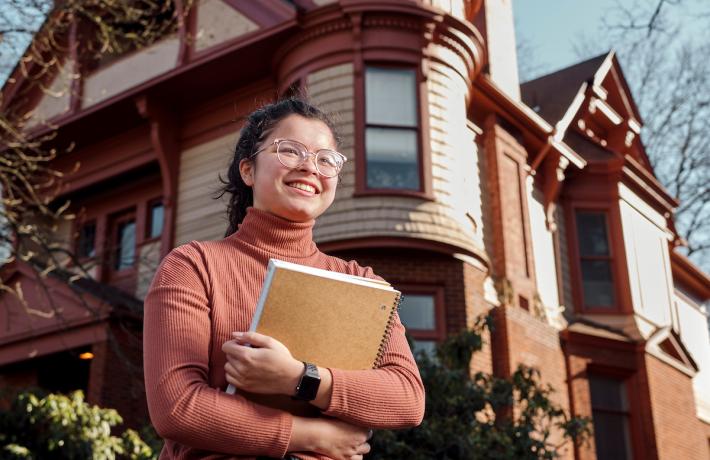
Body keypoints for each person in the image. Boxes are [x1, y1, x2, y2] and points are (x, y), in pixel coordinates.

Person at [143, 98, 425, 460]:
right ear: (248, 170)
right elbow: (178, 407)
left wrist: (299, 378)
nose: (310, 167)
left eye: (326, 160)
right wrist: (308, 435)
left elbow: (406, 398)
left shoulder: (361, 281)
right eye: (290, 150)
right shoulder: (194, 265)